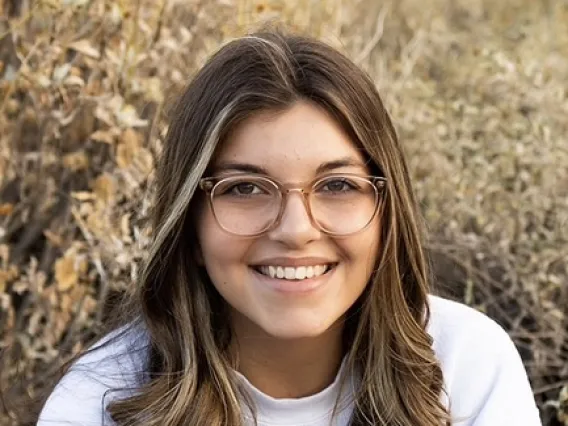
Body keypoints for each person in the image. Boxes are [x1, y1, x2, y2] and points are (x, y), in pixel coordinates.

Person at [37, 29, 541, 426]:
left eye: (338, 185)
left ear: (388, 212)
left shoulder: (466, 364)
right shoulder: (101, 399)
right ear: (189, 226)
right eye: (245, 189)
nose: (296, 230)